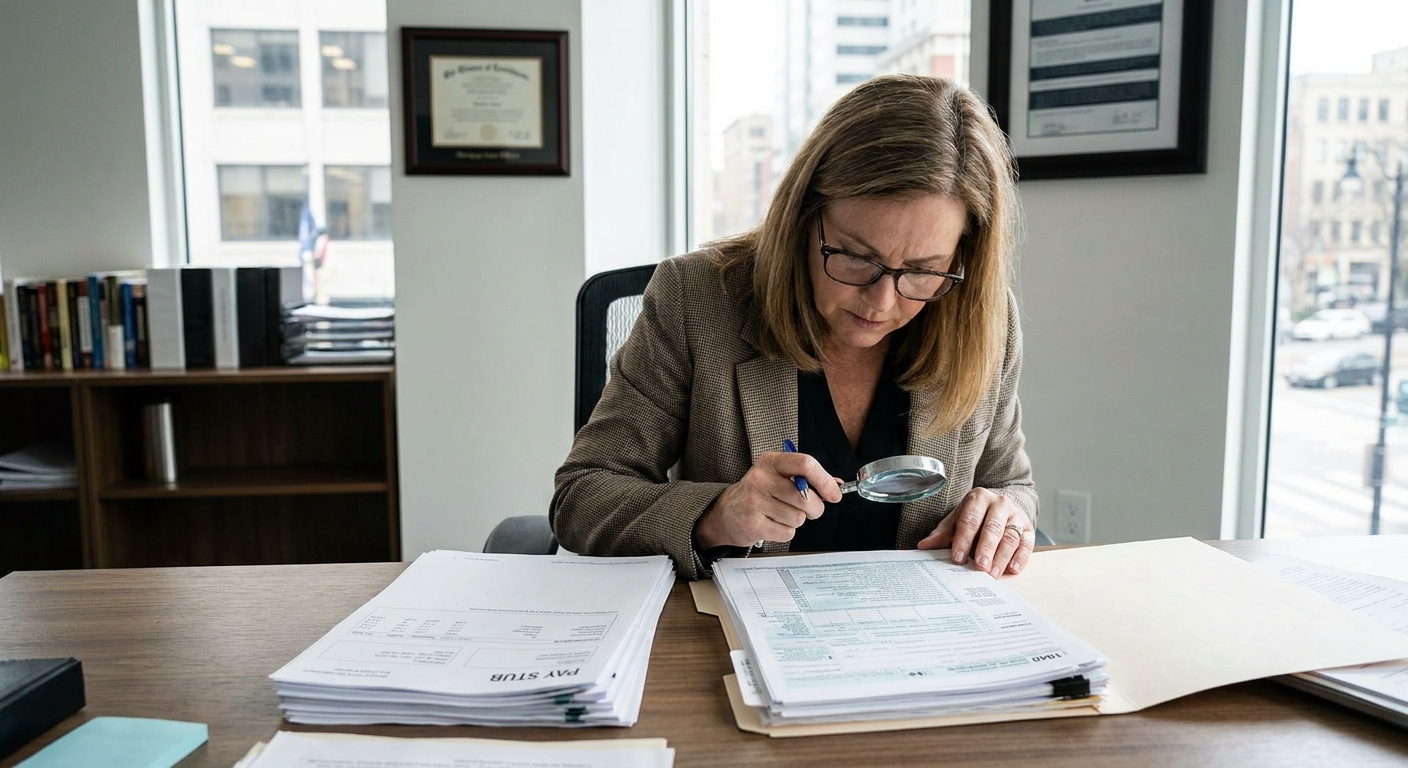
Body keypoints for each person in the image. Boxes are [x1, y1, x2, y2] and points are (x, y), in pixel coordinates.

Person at [552, 74, 1036, 580]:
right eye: (854, 256)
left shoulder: (980, 320)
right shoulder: (697, 300)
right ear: (804, 217)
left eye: (922, 269)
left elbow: (1013, 487)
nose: (882, 301)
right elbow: (582, 496)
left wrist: (1006, 515)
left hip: (918, 637)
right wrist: (716, 514)